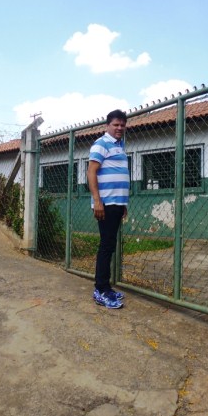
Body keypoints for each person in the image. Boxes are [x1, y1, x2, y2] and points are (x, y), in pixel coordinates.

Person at [87, 109, 129, 309]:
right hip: (105, 204)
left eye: (122, 125)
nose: (119, 128)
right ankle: (100, 290)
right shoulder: (101, 144)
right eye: (115, 125)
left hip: (117, 204)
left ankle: (106, 287)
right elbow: (91, 172)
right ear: (107, 126)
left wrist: (124, 205)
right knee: (106, 246)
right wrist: (97, 201)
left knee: (110, 245)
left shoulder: (120, 146)